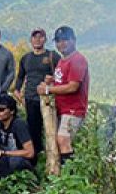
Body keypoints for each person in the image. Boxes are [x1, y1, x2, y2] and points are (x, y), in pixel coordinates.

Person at [38, 25, 89, 166]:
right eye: (58, 41)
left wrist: (48, 90)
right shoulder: (62, 60)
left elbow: (73, 86)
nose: (61, 44)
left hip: (74, 109)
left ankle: (69, 177)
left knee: (63, 140)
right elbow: (63, 81)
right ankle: (61, 173)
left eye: (65, 40)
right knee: (59, 142)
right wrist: (52, 81)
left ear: (73, 40)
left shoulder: (77, 60)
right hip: (62, 108)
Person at [13, 27, 58, 163]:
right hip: (30, 98)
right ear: (31, 40)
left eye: (40, 37)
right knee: (34, 129)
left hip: (48, 98)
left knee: (51, 129)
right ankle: (35, 159)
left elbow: (61, 75)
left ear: (45, 39)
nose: (37, 40)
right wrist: (17, 90)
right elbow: (21, 76)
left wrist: (52, 82)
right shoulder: (26, 58)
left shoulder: (52, 56)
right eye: (34, 37)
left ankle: (54, 159)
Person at [0, 94, 35, 177]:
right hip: (8, 156)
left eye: (1, 109)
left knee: (14, 161)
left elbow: (30, 153)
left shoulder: (19, 124)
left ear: (12, 111)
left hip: (22, 160)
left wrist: (5, 153)